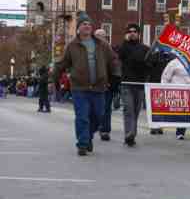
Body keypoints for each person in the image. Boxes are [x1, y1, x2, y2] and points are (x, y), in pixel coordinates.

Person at [54, 12, 118, 156]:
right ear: (78, 28)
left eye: (89, 24)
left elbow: (113, 60)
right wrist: (56, 80)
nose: (87, 26)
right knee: (82, 116)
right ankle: (82, 144)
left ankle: (87, 136)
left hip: (99, 87)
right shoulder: (72, 46)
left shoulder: (102, 44)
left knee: (99, 115)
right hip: (79, 87)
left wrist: (115, 77)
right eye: (84, 24)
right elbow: (61, 64)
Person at [118, 23, 150, 147]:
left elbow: (149, 65)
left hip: (139, 84)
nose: (132, 33)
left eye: (134, 31)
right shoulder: (123, 47)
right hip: (126, 84)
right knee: (128, 110)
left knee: (135, 111)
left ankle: (132, 134)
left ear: (139, 34)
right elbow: (120, 55)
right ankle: (129, 134)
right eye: (130, 31)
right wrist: (125, 42)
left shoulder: (145, 49)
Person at [161, 58, 190, 140]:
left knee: (185, 112)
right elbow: (165, 77)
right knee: (179, 111)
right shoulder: (173, 63)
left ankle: (181, 131)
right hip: (177, 92)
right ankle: (178, 130)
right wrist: (164, 88)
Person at [94, 28, 122, 141]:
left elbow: (116, 69)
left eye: (102, 36)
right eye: (97, 36)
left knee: (106, 108)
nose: (100, 39)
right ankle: (96, 126)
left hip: (107, 85)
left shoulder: (111, 52)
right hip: (93, 85)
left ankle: (105, 130)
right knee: (95, 108)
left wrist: (113, 84)